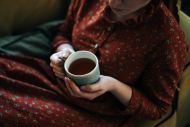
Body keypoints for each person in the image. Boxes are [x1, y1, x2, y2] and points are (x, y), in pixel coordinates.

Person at [0, 0, 188, 126]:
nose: (113, 2)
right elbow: (63, 32)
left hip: (97, 113)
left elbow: (157, 107)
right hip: (49, 79)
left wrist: (112, 86)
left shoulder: (167, 38)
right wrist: (64, 51)